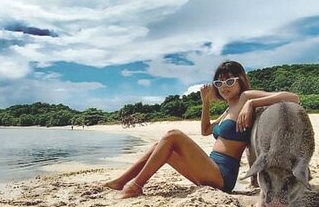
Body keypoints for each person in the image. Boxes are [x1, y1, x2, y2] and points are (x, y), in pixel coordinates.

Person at [103, 60, 299, 198]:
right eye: (219, 83)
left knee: (173, 135)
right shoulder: (228, 108)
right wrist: (205, 102)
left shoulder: (246, 97)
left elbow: (292, 97)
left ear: (240, 80)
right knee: (159, 145)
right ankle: (122, 181)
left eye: (230, 81)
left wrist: (253, 103)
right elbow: (206, 130)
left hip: (223, 176)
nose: (224, 86)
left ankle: (136, 185)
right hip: (210, 168)